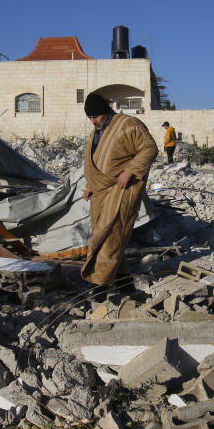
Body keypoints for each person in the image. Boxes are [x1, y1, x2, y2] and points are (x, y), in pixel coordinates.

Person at [81, 93, 158, 286]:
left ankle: (98, 284)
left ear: (106, 112)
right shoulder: (95, 131)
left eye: (96, 116)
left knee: (112, 234)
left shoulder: (128, 124)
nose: (93, 121)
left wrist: (130, 170)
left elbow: (149, 148)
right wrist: (90, 185)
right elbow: (94, 160)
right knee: (103, 233)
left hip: (122, 188)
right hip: (100, 190)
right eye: (90, 118)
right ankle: (123, 282)